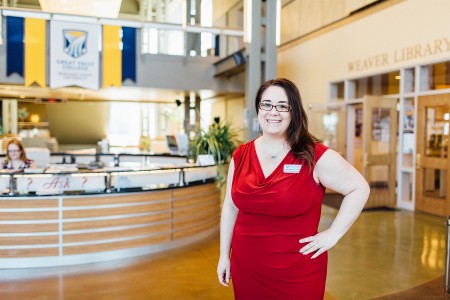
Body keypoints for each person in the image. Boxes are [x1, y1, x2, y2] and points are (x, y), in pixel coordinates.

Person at [217, 78, 370, 299]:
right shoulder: (241, 155)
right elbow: (230, 207)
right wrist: (224, 255)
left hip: (297, 270)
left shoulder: (313, 155)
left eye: (282, 106)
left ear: (293, 111)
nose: (273, 112)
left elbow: (359, 188)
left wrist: (333, 234)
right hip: (247, 265)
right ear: (258, 109)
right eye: (267, 104)